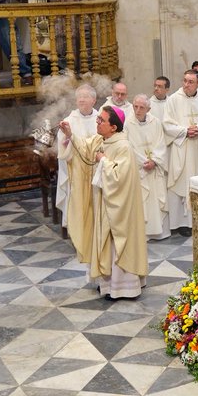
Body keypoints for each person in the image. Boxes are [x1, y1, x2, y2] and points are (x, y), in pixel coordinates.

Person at [59, 106, 148, 298]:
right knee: (103, 240)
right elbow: (82, 148)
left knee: (116, 242)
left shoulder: (123, 146)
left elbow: (120, 178)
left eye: (101, 120)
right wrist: (70, 134)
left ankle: (123, 286)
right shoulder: (101, 139)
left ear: (113, 127)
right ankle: (107, 284)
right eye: (97, 119)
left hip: (118, 207)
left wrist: (103, 161)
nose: (97, 122)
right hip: (103, 203)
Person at [163, 70, 198, 236]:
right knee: (181, 182)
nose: (186, 85)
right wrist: (185, 131)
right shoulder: (173, 100)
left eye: (190, 82)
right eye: (185, 81)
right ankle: (182, 223)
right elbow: (167, 125)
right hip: (183, 149)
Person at [57, 84, 100, 260]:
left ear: (94, 100)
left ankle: (97, 236)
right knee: (79, 204)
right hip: (77, 171)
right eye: (79, 97)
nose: (81, 100)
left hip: (97, 169)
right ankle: (79, 238)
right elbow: (63, 145)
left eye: (85, 96)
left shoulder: (101, 118)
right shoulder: (70, 120)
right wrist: (68, 137)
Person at [125, 94, 169, 240]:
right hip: (140, 169)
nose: (138, 110)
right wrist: (144, 162)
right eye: (135, 107)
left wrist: (154, 161)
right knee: (142, 200)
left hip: (154, 167)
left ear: (148, 109)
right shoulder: (127, 124)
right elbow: (128, 146)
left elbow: (161, 143)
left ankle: (160, 232)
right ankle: (144, 234)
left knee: (156, 198)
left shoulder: (156, 122)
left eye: (141, 107)